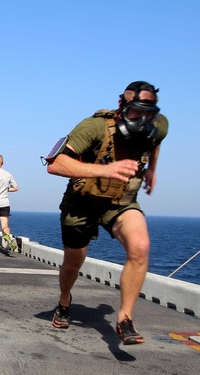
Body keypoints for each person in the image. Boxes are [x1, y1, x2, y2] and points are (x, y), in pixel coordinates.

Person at [44, 81, 168, 344]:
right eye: (136, 112)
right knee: (73, 263)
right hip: (82, 203)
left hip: (120, 202)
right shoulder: (94, 127)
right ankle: (64, 301)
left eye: (149, 114)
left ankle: (125, 319)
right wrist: (104, 170)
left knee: (140, 246)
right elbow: (55, 164)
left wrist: (153, 169)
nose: (143, 119)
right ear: (123, 107)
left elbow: (156, 140)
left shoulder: (158, 125)